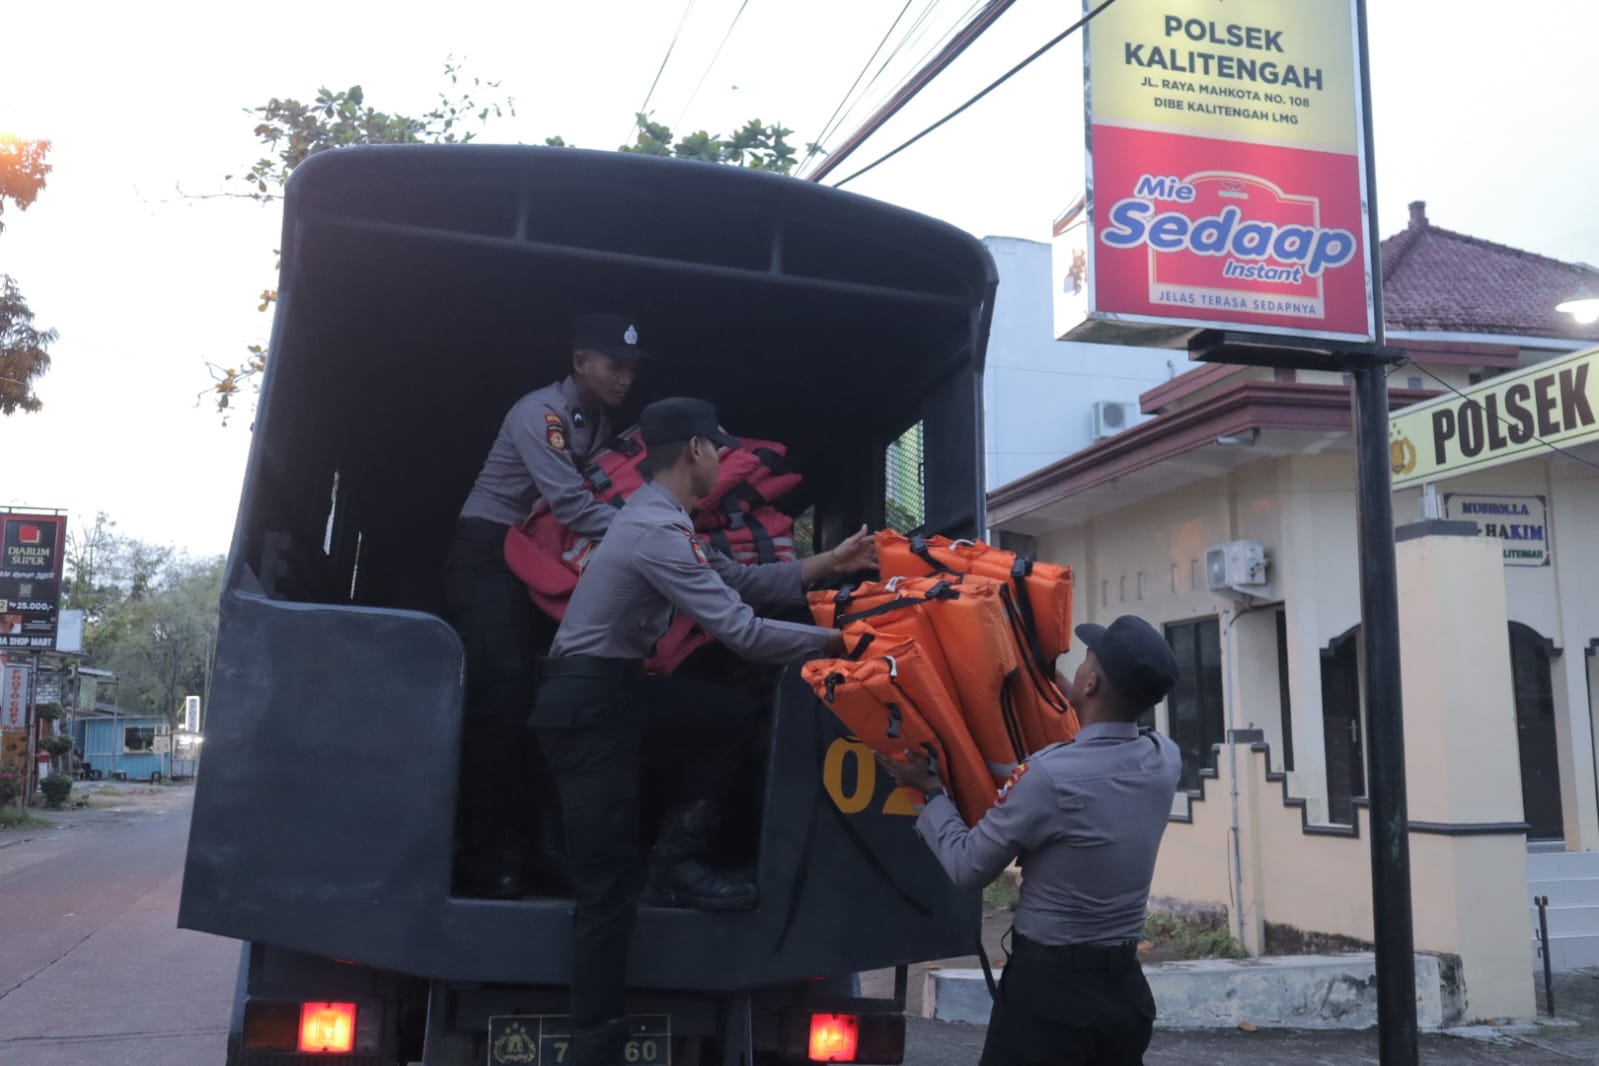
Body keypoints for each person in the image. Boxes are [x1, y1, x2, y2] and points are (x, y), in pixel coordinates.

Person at [531, 396, 875, 1066]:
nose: (721, 458)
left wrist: (830, 563)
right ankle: (593, 1046)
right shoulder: (656, 531)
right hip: (586, 706)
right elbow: (743, 632)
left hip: (614, 692)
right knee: (607, 892)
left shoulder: (661, 518)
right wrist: (843, 641)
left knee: (726, 716)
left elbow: (742, 579)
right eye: (718, 447)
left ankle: (675, 862)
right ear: (695, 450)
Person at [879, 614, 1183, 1066]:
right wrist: (1044, 681)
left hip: (1050, 1001)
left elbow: (967, 865)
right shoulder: (1164, 760)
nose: (1079, 669)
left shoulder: (1048, 777)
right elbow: (1102, 720)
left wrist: (929, 791)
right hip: (1124, 996)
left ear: (1093, 683)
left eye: (1086, 661)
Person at [442, 312, 649, 899]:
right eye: (614, 365)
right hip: (487, 553)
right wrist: (656, 534)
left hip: (536, 555)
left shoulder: (598, 424)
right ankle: (482, 854)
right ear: (580, 362)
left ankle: (537, 846)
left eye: (632, 369)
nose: (626, 378)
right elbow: (574, 506)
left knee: (548, 696)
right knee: (500, 692)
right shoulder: (541, 414)